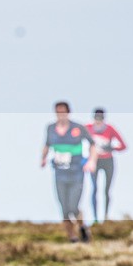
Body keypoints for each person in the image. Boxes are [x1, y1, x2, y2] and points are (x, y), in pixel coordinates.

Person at [41, 101, 97, 242]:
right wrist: (43, 158)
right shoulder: (50, 128)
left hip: (76, 173)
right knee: (64, 208)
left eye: (63, 111)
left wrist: (91, 161)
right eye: (58, 111)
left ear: (68, 112)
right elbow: (47, 145)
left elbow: (92, 144)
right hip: (60, 173)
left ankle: (82, 226)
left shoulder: (78, 128)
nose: (61, 114)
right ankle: (72, 236)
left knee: (73, 206)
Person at [86, 107, 127, 223]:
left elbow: (123, 145)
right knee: (94, 188)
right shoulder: (87, 128)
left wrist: (112, 148)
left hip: (108, 161)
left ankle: (105, 216)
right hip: (94, 161)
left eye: (101, 118)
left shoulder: (110, 129)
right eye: (96, 117)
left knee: (106, 190)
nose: (98, 120)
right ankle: (95, 218)